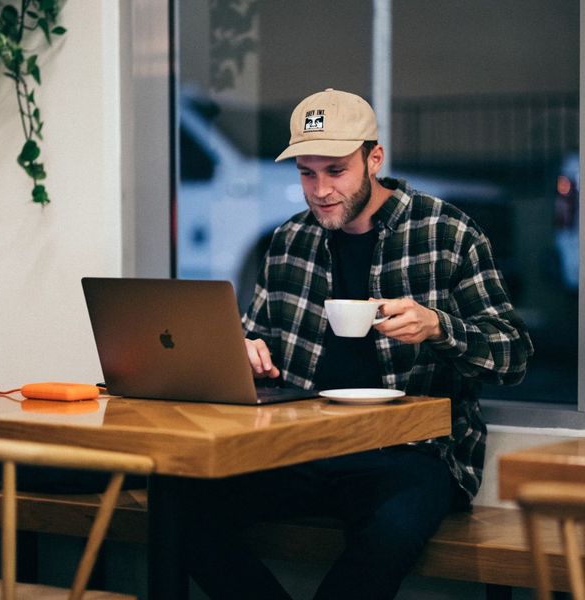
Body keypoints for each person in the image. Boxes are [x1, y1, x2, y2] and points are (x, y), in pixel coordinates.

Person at [174, 88, 534, 600]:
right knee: (178, 506)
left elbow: (513, 355)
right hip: (302, 447)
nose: (320, 190)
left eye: (336, 170)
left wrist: (439, 327)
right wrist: (246, 353)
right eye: (306, 172)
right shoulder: (288, 240)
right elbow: (257, 340)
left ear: (374, 159)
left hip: (413, 453)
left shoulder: (446, 233)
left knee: (388, 534)